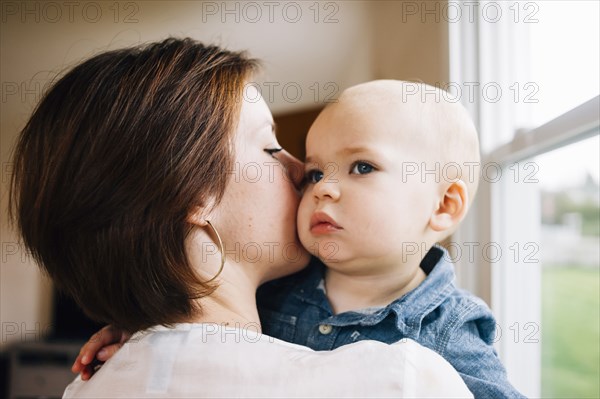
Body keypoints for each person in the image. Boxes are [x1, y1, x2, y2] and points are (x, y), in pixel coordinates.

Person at [10, 39, 472, 397]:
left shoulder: (90, 386)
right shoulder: (404, 381)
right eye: (270, 148)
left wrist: (145, 323)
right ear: (195, 196)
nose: (301, 172)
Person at [257, 80, 525, 398]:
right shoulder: (274, 288)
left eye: (362, 167)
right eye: (316, 172)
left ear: (443, 206)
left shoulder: (449, 329)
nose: (323, 188)